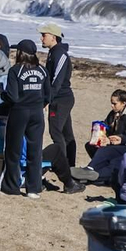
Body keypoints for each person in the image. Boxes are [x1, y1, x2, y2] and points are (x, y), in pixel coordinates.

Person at [0, 40, 58, 197]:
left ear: (20, 53)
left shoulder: (16, 71)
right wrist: (39, 104)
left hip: (19, 112)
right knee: (35, 150)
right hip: (37, 113)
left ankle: (11, 186)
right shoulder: (43, 71)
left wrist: (1, 93)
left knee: (13, 150)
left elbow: (13, 96)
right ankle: (33, 188)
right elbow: (48, 95)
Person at [40, 22, 79, 185]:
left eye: (44, 35)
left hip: (61, 99)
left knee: (56, 133)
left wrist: (47, 99)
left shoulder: (60, 54)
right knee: (66, 133)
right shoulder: (52, 52)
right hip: (59, 98)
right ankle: (70, 166)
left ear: (53, 37)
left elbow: (57, 80)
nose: (41, 38)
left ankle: (62, 168)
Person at [77, 90, 126, 187]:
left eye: (114, 104)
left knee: (105, 151)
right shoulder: (113, 113)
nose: (112, 106)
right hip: (113, 143)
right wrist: (100, 135)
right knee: (91, 145)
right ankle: (96, 169)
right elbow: (106, 125)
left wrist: (118, 139)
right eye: (111, 103)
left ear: (123, 103)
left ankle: (91, 170)